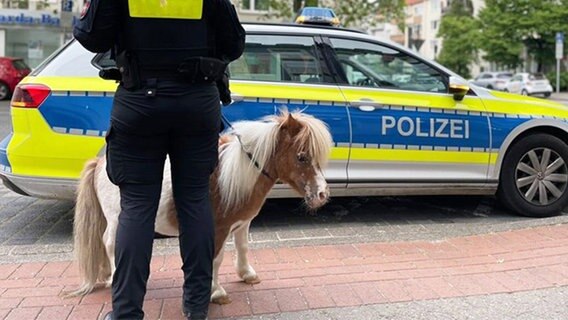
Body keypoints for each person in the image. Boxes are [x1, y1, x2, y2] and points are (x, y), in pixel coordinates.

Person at [73, 1, 245, 319]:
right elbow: (234, 44)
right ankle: (195, 308)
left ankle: (126, 312)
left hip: (139, 102)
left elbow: (92, 38)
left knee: (136, 207)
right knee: (194, 201)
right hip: (196, 103)